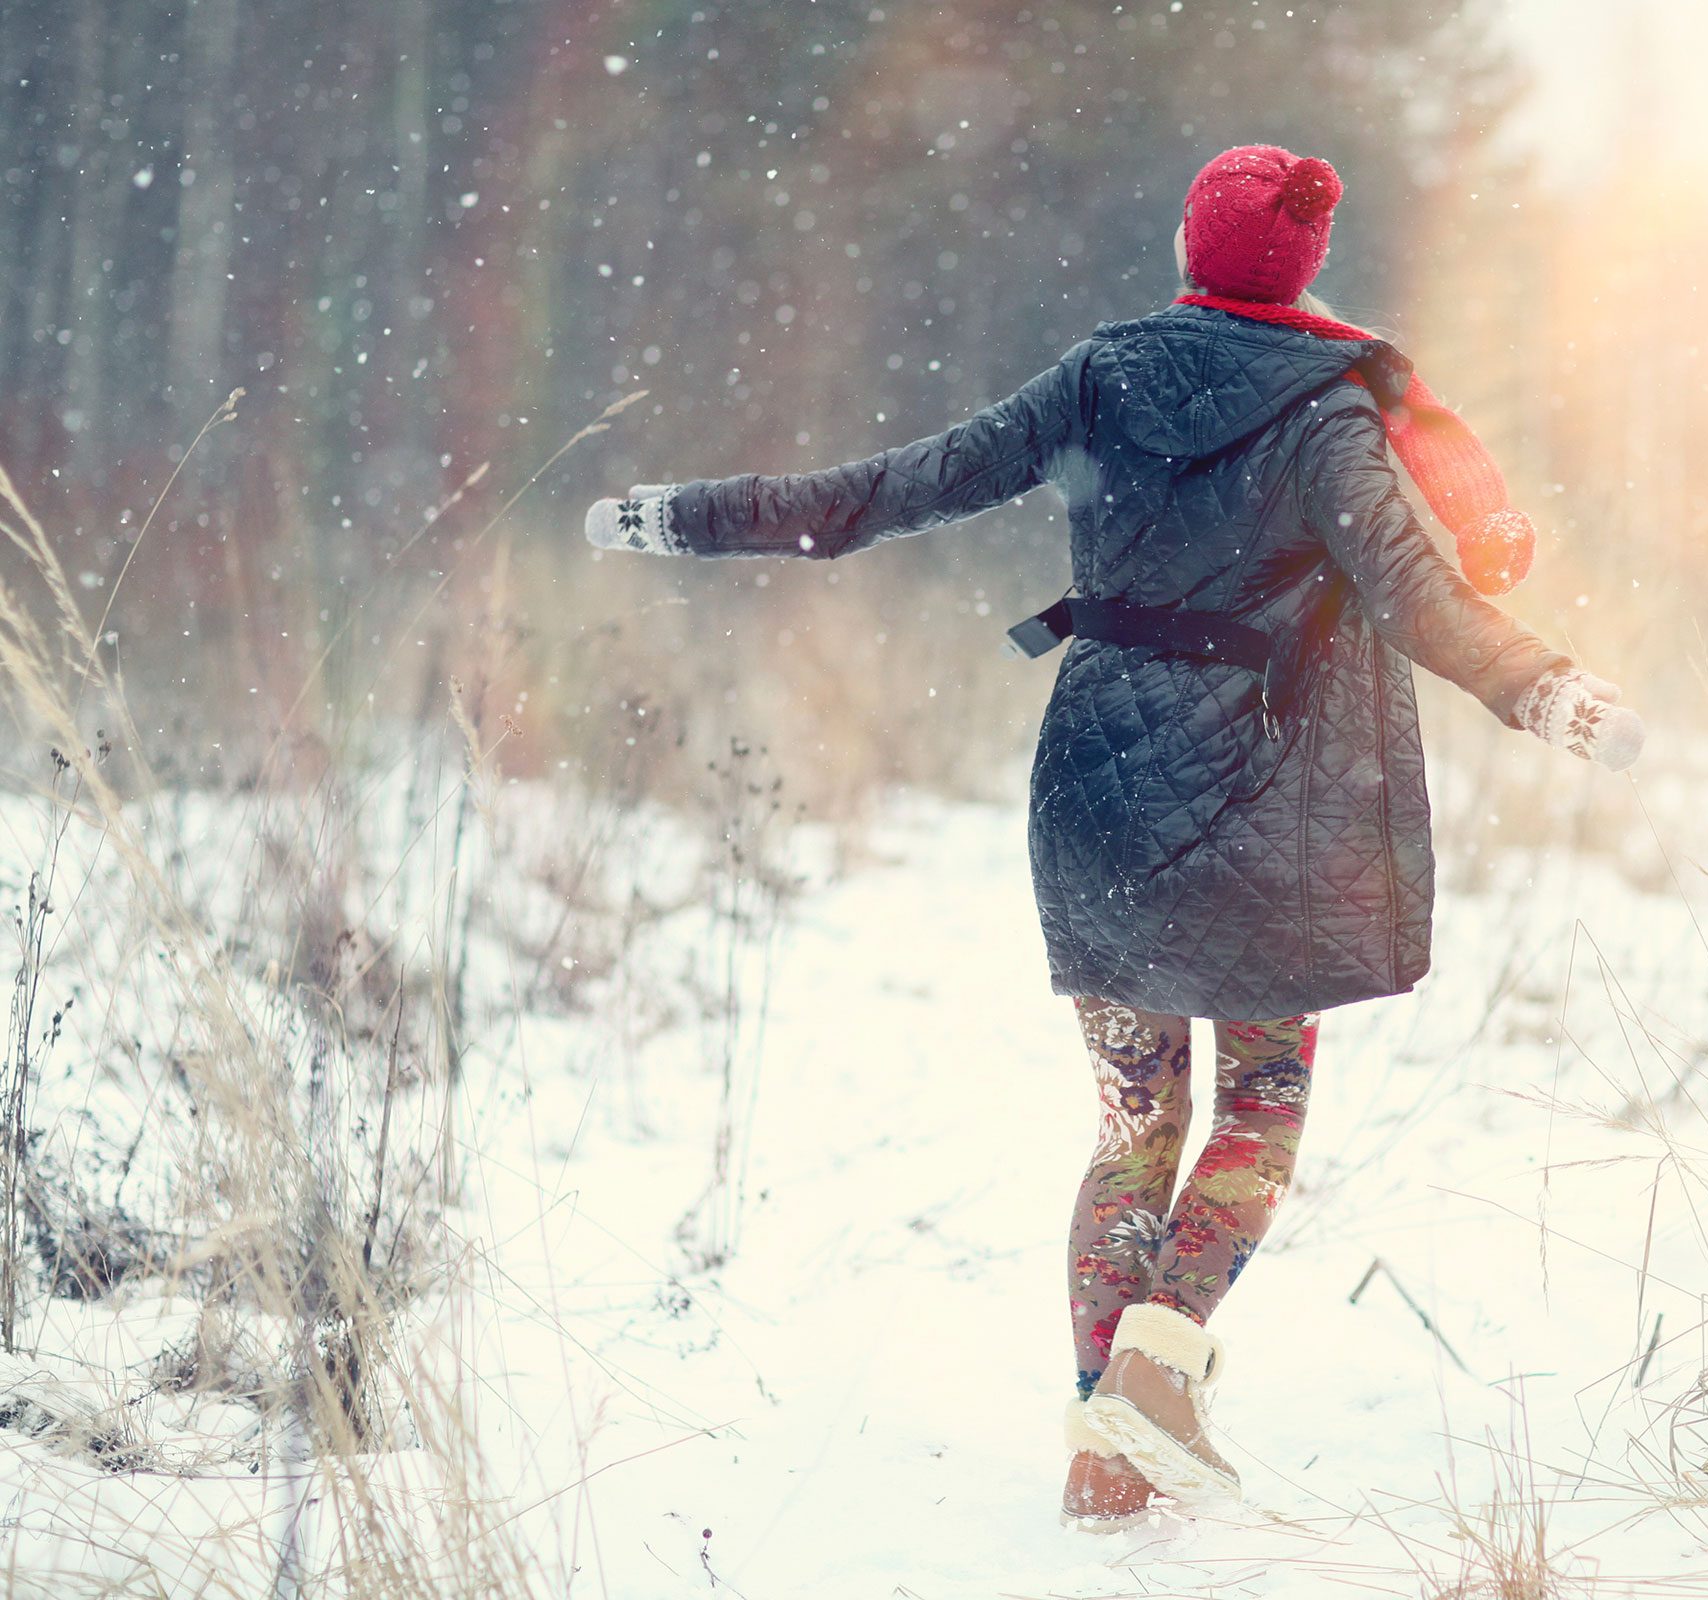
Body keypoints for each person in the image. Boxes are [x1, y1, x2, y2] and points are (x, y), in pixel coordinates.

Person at [584, 143, 1643, 1530]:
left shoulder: (1100, 378)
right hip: (1271, 809)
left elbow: (888, 491)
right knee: (1257, 1110)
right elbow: (1414, 597)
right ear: (1305, 266)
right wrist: (1551, 691)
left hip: (1094, 796)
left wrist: (686, 516)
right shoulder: (1330, 413)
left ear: (1193, 246)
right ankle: (1154, 1367)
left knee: (1136, 1121)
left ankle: (1107, 1447)